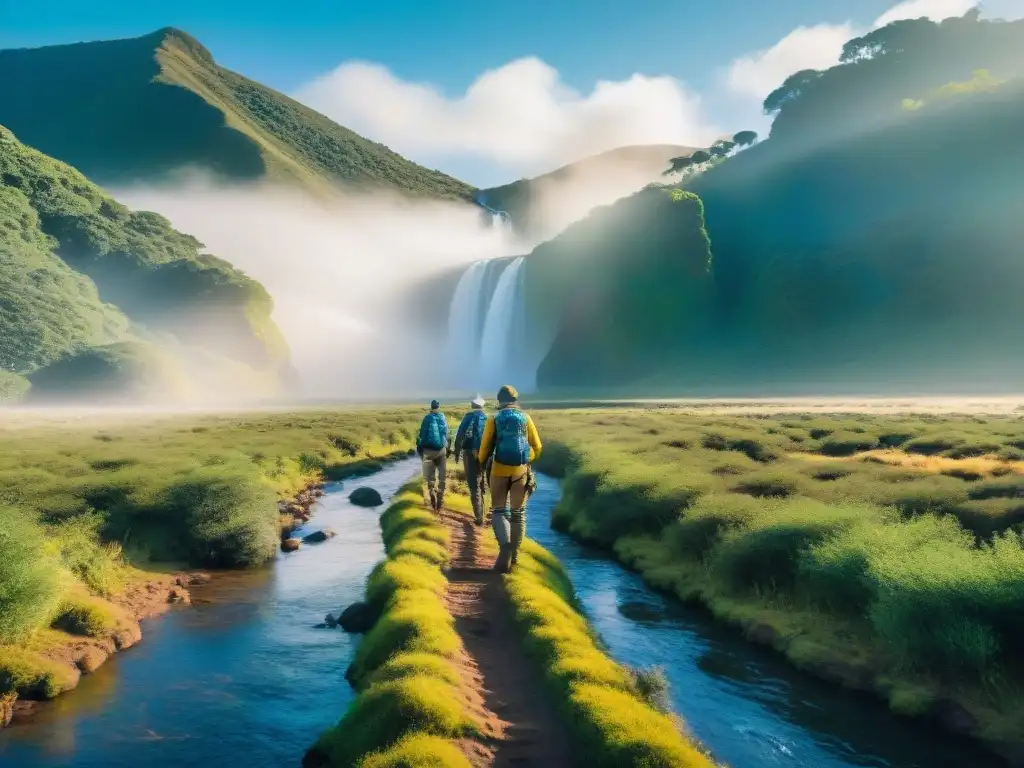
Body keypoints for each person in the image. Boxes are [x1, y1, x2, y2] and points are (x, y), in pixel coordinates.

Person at [477, 385, 542, 573]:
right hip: (520, 471)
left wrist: (482, 464)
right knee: (518, 513)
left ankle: (504, 546)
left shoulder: (494, 418)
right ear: (515, 400)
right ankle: (514, 557)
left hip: (498, 469)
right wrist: (525, 460)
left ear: (499, 400)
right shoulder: (526, 418)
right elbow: (537, 447)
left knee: (498, 511)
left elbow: (484, 448)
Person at [454, 394, 488, 526]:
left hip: (469, 453)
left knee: (474, 486)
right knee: (482, 483)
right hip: (485, 454)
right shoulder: (486, 418)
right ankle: (486, 512)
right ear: (482, 405)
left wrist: (457, 453)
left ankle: (479, 517)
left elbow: (459, 435)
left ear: (472, 405)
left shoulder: (467, 417)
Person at [417, 399, 450, 511]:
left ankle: (432, 493)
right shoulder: (442, 417)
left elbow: (421, 434)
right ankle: (440, 497)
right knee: (442, 476)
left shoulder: (426, 418)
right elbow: (446, 434)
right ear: (438, 406)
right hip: (441, 450)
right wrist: (448, 448)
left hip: (428, 450)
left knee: (431, 476)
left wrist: (420, 448)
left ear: (431, 407)